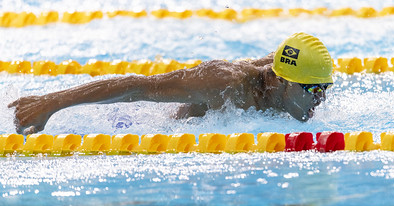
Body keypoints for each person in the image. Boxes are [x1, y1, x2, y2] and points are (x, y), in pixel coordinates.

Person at [8, 32, 333, 135]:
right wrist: (50, 103)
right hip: (163, 130)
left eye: (324, 89)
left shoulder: (282, 79)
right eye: (313, 90)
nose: (320, 99)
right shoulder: (225, 83)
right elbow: (139, 86)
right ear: (277, 81)